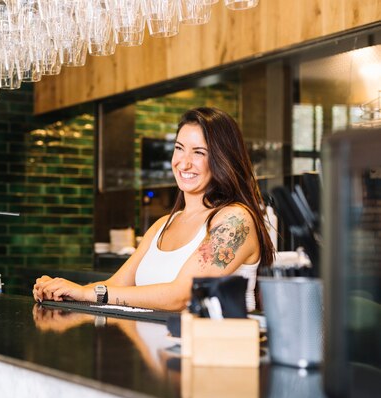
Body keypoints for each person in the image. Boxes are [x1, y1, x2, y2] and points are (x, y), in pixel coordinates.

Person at [33, 107, 275, 312]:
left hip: (212, 358)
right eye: (179, 148)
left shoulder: (235, 221)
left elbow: (182, 295)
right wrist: (64, 289)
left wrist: (89, 294)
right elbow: (117, 284)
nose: (184, 162)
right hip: (161, 358)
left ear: (223, 159)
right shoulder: (162, 225)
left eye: (199, 152)